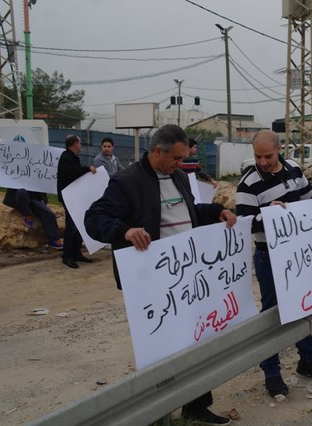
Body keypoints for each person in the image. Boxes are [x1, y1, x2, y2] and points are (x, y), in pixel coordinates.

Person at [84, 124, 235, 425]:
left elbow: (188, 213)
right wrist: (125, 231)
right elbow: (94, 218)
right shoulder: (126, 181)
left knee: (196, 339)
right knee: (159, 348)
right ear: (156, 151)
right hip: (152, 282)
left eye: (183, 159)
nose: (182, 165)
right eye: (177, 159)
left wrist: (216, 212)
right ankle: (157, 412)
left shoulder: (179, 177)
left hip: (188, 276)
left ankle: (196, 404)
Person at [235, 129, 312, 398]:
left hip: (298, 252)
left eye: (267, 156)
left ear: (280, 148)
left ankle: (309, 361)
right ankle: (272, 374)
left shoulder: (293, 168)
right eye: (257, 156)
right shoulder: (247, 185)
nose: (262, 161)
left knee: (302, 304)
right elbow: (245, 224)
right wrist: (270, 215)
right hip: (269, 256)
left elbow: (311, 195)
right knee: (272, 314)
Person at [57, 134, 97, 269]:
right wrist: (87, 169)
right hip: (69, 198)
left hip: (76, 197)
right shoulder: (66, 157)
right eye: (79, 143)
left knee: (79, 225)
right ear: (74, 144)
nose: (80, 146)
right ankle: (67, 255)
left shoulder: (73, 158)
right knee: (72, 227)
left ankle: (77, 252)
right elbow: (71, 173)